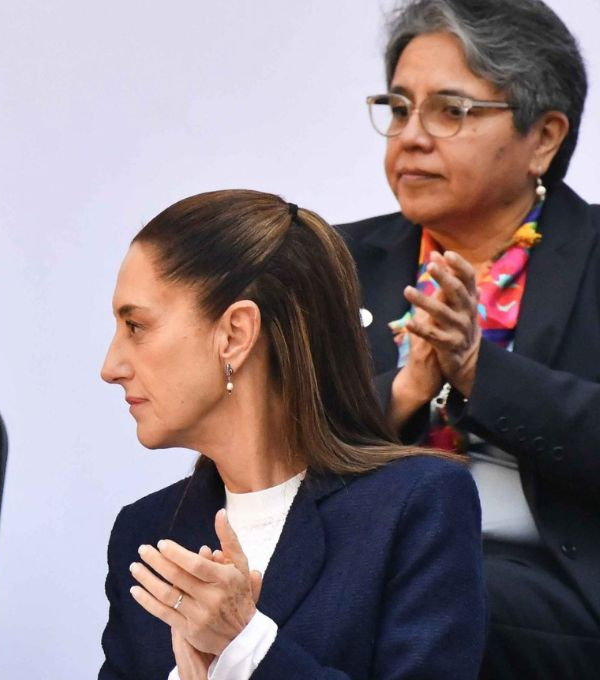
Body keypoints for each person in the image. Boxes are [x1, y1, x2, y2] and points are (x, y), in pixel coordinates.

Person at [98, 191, 486, 679]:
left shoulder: (416, 504)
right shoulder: (146, 532)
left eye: (136, 326)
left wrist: (247, 648)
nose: (110, 367)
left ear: (235, 334)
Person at [339, 0, 600, 675]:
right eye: (399, 110)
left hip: (555, 586)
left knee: (425, 592)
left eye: (450, 111)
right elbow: (279, 440)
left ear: (542, 137)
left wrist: (482, 371)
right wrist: (402, 396)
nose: (411, 138)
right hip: (367, 556)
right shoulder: (334, 263)